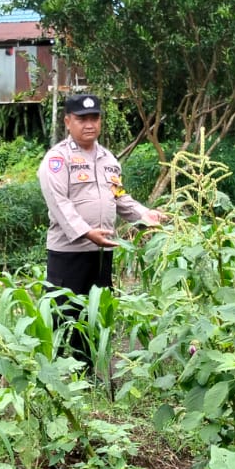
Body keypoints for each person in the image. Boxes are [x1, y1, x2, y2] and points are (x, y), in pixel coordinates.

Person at [37, 93, 166, 365]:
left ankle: (86, 374)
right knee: (61, 317)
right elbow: (59, 203)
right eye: (82, 118)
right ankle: (51, 375)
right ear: (68, 122)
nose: (89, 124)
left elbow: (118, 196)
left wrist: (145, 214)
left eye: (94, 118)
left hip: (100, 253)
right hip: (68, 254)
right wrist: (86, 232)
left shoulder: (108, 159)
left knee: (92, 317)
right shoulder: (57, 159)